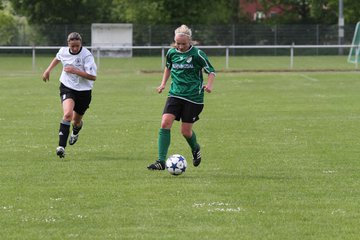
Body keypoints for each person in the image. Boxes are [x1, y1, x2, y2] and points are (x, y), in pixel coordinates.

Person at [147, 24, 216, 170]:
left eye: (183, 44)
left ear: (189, 41)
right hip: (175, 94)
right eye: (177, 43)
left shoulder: (197, 54)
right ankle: (160, 161)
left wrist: (209, 85)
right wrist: (163, 84)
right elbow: (168, 67)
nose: (180, 46)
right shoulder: (172, 53)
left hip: (193, 97)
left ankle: (195, 148)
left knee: (185, 131)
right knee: (165, 123)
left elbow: (211, 71)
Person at [42, 32, 97, 158]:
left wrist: (76, 71)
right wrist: (48, 70)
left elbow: (93, 77)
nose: (75, 48)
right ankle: (61, 147)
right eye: (72, 46)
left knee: (76, 121)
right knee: (67, 115)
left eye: (77, 46)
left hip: (84, 91)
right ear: (68, 44)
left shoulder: (87, 56)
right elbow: (57, 58)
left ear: (81, 44)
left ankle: (76, 130)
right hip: (67, 87)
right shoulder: (63, 51)